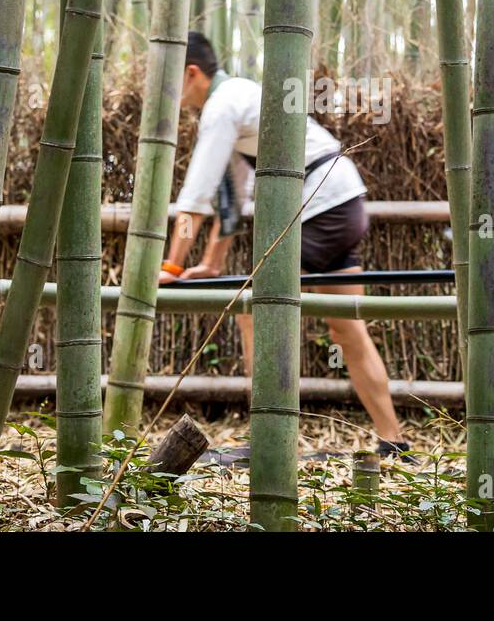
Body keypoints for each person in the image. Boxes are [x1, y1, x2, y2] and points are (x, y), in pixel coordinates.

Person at [157, 32, 410, 456]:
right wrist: (212, 264)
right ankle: (394, 441)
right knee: (348, 328)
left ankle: (268, 442)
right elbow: (234, 196)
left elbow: (195, 200)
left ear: (191, 73)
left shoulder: (222, 106)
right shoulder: (239, 95)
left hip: (321, 203)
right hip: (344, 202)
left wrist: (171, 267)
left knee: (255, 310)